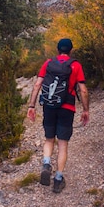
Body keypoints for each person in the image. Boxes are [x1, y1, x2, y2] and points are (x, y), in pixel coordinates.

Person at [27, 38, 89, 193]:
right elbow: (83, 90)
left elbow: (37, 84)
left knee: (49, 139)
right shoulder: (75, 65)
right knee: (62, 144)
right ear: (71, 50)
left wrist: (32, 106)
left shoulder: (48, 63)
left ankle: (46, 164)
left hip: (49, 106)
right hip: (66, 108)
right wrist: (85, 110)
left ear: (57, 49)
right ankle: (58, 179)